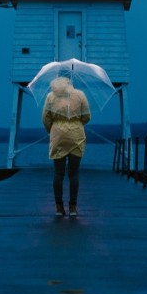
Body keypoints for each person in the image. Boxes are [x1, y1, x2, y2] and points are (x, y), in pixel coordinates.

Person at [42, 76, 91, 217]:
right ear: (70, 82)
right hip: (76, 135)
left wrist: (52, 129)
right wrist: (76, 122)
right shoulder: (80, 95)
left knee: (58, 173)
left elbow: (45, 118)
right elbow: (87, 116)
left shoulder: (50, 96)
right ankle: (73, 208)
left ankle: (58, 208)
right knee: (73, 173)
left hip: (57, 134)